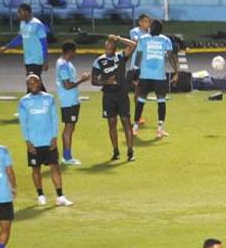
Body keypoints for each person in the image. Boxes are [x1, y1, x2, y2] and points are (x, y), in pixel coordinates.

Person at [17, 74, 70, 207]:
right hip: (34, 142)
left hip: (49, 141)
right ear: (27, 86)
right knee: (36, 169)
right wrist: (27, 141)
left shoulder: (49, 98)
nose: (33, 85)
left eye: (35, 82)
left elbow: (54, 118)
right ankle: (40, 195)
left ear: (40, 83)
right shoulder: (23, 102)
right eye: (30, 84)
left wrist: (54, 137)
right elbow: (23, 123)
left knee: (55, 167)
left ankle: (60, 196)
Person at [91, 34, 136, 162]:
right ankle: (115, 151)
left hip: (122, 95)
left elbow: (133, 45)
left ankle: (130, 151)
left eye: (110, 49)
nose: (108, 51)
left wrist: (118, 38)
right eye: (106, 49)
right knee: (111, 123)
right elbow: (93, 81)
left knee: (126, 122)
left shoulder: (121, 57)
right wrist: (107, 82)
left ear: (115, 49)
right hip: (108, 97)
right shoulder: (99, 62)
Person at [133, 19, 175, 139]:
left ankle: (135, 127)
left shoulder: (143, 39)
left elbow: (138, 56)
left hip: (145, 75)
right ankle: (160, 129)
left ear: (151, 28)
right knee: (161, 101)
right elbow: (171, 57)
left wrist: (135, 71)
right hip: (159, 76)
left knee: (141, 101)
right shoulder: (165, 40)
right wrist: (176, 70)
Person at [54, 42, 90, 166]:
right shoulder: (63, 65)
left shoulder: (65, 63)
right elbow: (67, 85)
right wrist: (82, 80)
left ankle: (67, 156)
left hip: (71, 100)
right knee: (69, 128)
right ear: (70, 51)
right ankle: (67, 157)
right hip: (68, 101)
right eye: (75, 51)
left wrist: (80, 79)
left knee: (70, 127)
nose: (75, 54)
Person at [0, 3, 49, 78]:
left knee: (32, 81)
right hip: (28, 59)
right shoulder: (22, 23)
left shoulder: (37, 25)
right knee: (34, 82)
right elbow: (20, 38)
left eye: (20, 12)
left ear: (26, 12)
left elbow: (44, 44)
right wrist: (6, 47)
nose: (18, 15)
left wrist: (45, 60)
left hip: (37, 59)